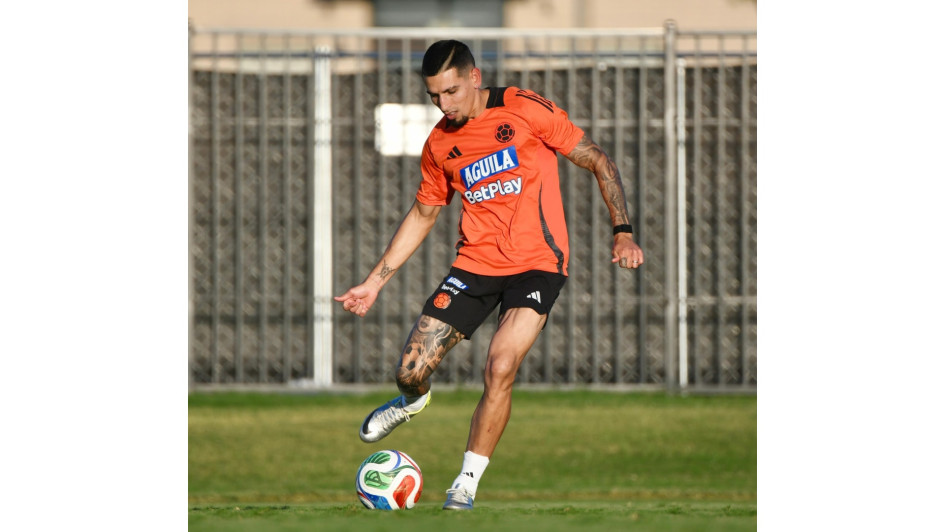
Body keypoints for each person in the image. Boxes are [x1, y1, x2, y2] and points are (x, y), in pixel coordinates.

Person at [334, 39, 644, 511]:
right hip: (475, 266)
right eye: (434, 96)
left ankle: (466, 482)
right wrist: (374, 282)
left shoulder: (523, 108)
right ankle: (412, 402)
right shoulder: (439, 144)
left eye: (452, 92)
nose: (444, 104)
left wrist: (622, 232)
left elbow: (597, 158)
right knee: (409, 372)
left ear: (474, 78)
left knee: (500, 365)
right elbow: (423, 214)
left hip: (538, 265)